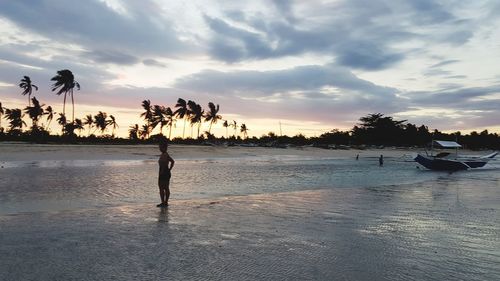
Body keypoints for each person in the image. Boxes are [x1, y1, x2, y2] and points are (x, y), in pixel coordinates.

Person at [157, 138, 175, 207]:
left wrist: (162, 171)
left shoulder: (164, 154)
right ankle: (165, 202)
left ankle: (164, 202)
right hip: (166, 172)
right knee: (166, 187)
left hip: (163, 172)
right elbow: (172, 161)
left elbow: (164, 164)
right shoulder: (166, 154)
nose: (159, 149)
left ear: (163, 147)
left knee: (162, 188)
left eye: (160, 147)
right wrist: (170, 169)